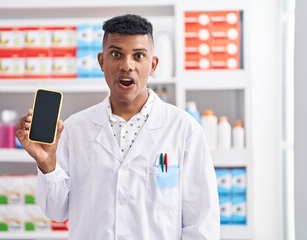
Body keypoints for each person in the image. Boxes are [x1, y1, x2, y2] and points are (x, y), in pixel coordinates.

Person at [16, 14, 220, 240]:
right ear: (102, 61)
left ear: (152, 65)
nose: (127, 66)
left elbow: (202, 224)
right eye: (116, 54)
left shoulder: (184, 130)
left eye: (138, 56)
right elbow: (55, 212)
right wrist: (47, 165)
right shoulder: (74, 129)